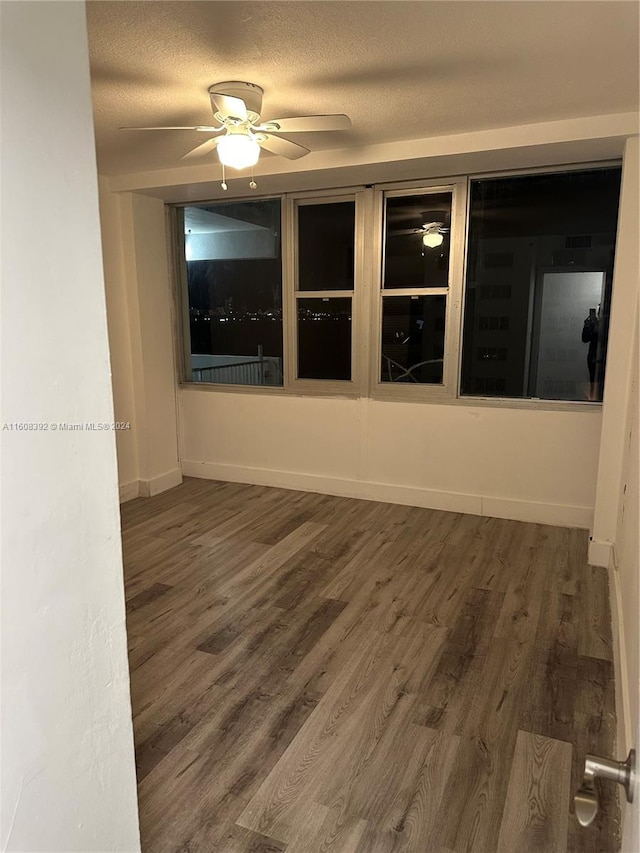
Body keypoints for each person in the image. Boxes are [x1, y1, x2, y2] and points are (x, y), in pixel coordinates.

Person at [582, 306, 599, 401]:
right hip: (593, 357)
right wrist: (587, 326)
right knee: (593, 381)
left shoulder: (606, 324)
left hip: (602, 357)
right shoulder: (593, 323)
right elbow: (585, 339)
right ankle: (593, 399)